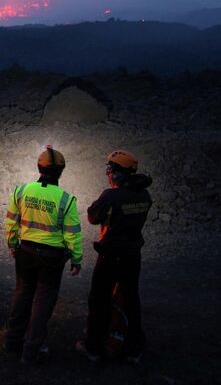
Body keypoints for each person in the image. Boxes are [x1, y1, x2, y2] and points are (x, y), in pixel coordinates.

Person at [4, 145, 83, 364]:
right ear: (61, 171)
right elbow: (72, 234)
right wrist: (76, 259)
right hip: (52, 259)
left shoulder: (21, 191)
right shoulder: (66, 200)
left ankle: (12, 342)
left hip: (25, 253)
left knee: (22, 295)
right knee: (43, 303)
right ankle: (31, 352)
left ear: (38, 167)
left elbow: (11, 223)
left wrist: (12, 246)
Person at [76, 149, 153, 363]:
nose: (108, 174)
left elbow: (92, 216)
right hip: (132, 256)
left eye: (110, 170)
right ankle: (133, 347)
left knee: (99, 300)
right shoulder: (145, 195)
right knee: (131, 300)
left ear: (118, 173)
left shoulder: (112, 195)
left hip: (111, 257)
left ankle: (93, 346)